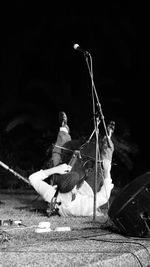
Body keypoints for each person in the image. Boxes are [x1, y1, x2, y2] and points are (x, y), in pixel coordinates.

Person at [29, 129, 114, 217]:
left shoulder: (51, 195)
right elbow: (104, 196)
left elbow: (32, 178)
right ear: (75, 190)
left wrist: (56, 169)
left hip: (68, 182)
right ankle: (107, 141)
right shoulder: (84, 206)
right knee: (102, 165)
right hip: (89, 188)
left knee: (59, 157)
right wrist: (107, 171)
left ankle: (63, 131)